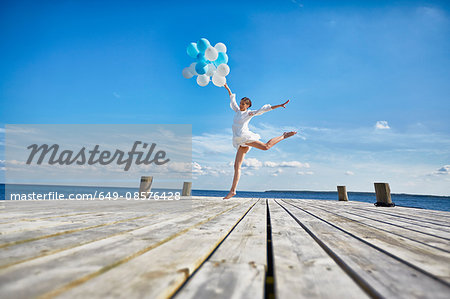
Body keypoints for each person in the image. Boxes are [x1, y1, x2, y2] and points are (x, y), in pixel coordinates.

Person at [223, 83, 297, 199]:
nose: (241, 105)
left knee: (266, 147)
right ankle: (233, 191)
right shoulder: (237, 111)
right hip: (239, 141)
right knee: (236, 166)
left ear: (248, 106)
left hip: (245, 137)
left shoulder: (249, 113)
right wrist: (226, 87)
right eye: (241, 103)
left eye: (243, 104)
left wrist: (279, 105)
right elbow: (232, 99)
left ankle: (283, 136)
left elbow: (263, 110)